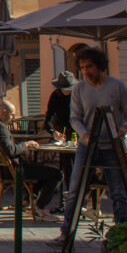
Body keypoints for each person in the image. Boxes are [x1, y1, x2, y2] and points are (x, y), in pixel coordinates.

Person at [48, 47, 127, 249]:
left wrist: (123, 130)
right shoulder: (79, 89)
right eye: (82, 67)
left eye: (89, 66)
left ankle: (121, 235)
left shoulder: (117, 86)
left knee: (118, 193)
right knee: (75, 191)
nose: (86, 71)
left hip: (112, 146)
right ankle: (66, 234)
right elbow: (74, 118)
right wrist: (85, 134)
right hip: (87, 146)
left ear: (99, 66)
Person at [0, 100, 62, 217]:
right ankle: (40, 207)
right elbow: (10, 150)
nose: (13, 118)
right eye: (12, 115)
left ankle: (27, 202)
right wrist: (26, 145)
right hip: (13, 170)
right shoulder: (0, 128)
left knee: (41, 170)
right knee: (57, 174)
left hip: (0, 169)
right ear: (4, 112)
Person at [44, 70, 76, 212]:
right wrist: (53, 132)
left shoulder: (77, 96)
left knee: (79, 168)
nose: (67, 92)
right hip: (63, 134)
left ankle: (78, 201)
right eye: (64, 89)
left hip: (77, 133)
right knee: (66, 167)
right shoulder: (55, 97)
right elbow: (48, 121)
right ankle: (66, 202)